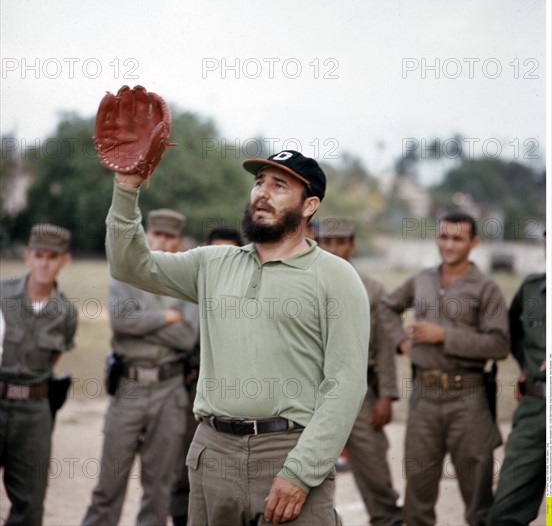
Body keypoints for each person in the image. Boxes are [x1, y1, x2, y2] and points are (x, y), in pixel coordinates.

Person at [105, 149, 370, 525]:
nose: (262, 192)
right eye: (259, 182)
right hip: (213, 451)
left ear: (309, 205)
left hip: (289, 452)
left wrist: (300, 471)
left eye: (279, 185)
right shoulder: (213, 263)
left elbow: (345, 385)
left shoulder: (336, 277)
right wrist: (126, 188)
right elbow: (129, 264)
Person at [380, 210, 509, 526]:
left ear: (473, 242)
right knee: (417, 496)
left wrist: (445, 336)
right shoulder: (421, 279)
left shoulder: (486, 288)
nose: (449, 245)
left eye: (457, 238)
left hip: (469, 398)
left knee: (478, 499)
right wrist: (401, 342)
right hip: (424, 397)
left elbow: (499, 345)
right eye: (444, 236)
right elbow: (387, 306)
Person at [82, 209, 200, 526]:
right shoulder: (125, 271)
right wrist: (165, 317)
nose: (162, 241)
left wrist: (142, 322)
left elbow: (187, 336)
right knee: (109, 485)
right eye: (157, 233)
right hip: (129, 385)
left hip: (169, 387)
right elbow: (121, 322)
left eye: (170, 236)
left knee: (159, 488)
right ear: (147, 234)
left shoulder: (188, 281)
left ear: (179, 241)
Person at [316, 217, 402, 526]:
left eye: (341, 242)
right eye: (328, 242)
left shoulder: (374, 289)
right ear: (317, 242)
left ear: (352, 244)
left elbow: (384, 346)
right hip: (309, 391)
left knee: (375, 473)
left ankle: (387, 519)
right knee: (304, 475)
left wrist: (387, 397)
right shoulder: (302, 282)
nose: (334, 248)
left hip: (360, 391)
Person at [0, 223, 78, 525]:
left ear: (64, 261)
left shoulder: (66, 311)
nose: (45, 263)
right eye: (40, 255)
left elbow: (55, 356)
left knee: (30, 501)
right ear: (27, 256)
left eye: (53, 257)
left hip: (34, 411)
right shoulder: (2, 293)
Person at [171, 225, 243, 526]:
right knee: (182, 465)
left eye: (229, 252)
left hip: (233, 394)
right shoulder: (193, 290)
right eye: (215, 251)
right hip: (190, 388)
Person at [486, 232, 546, 525]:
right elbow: (514, 332)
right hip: (536, 409)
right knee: (505, 511)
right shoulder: (533, 289)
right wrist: (527, 366)